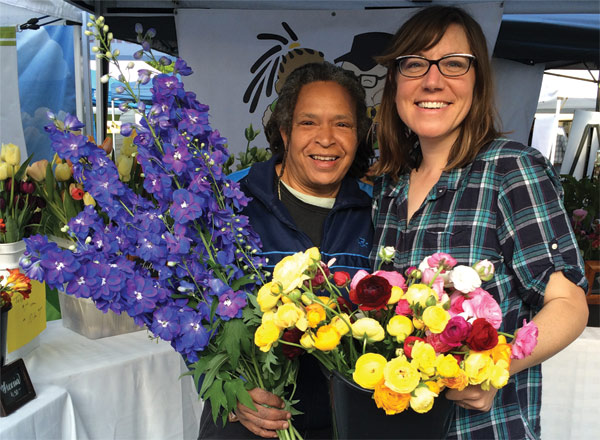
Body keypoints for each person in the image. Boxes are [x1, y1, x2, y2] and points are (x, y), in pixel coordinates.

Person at [370, 6, 589, 439]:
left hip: (483, 429)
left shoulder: (509, 169)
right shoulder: (387, 186)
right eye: (414, 64)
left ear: (478, 82)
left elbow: (569, 304)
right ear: (395, 82)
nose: (432, 80)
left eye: (454, 64)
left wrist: (496, 366)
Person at [198, 61, 374, 439]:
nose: (326, 139)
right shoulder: (231, 201)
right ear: (284, 131)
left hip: (344, 423)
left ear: (359, 135)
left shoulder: (377, 211)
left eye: (342, 124)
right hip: (248, 423)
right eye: (308, 123)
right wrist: (232, 392)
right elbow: (187, 309)